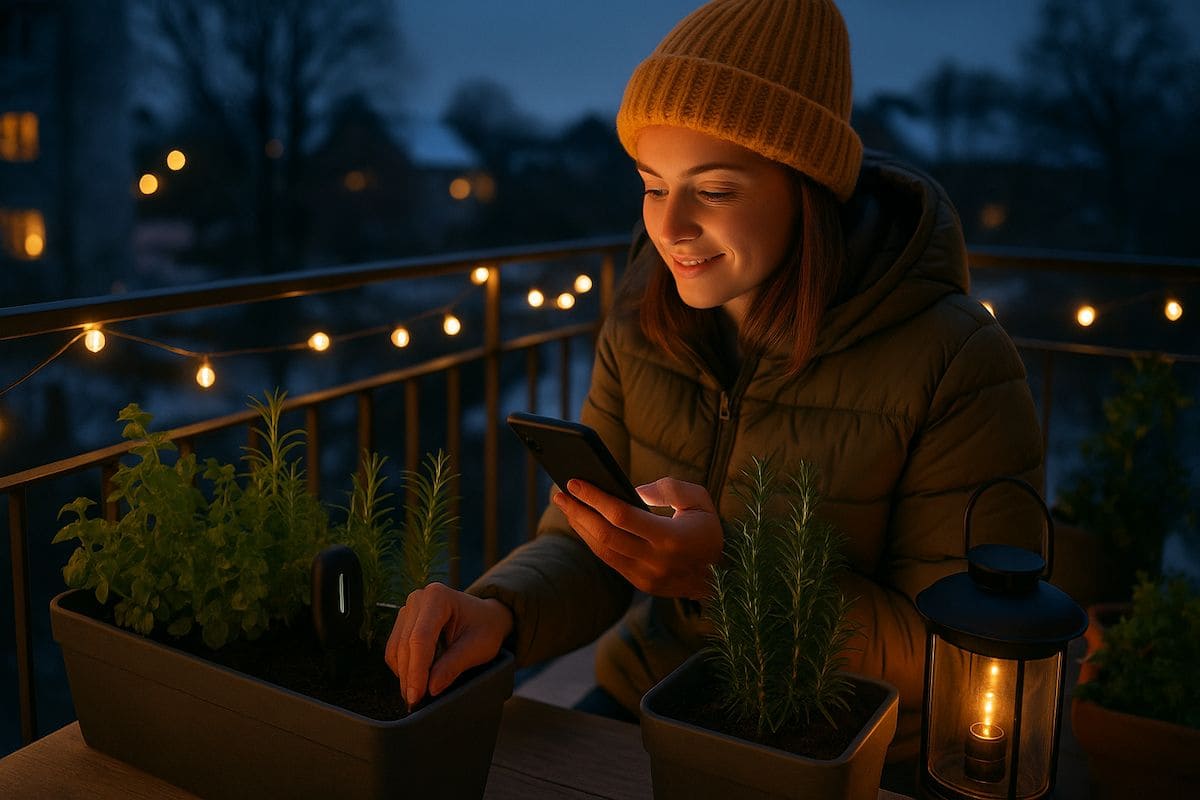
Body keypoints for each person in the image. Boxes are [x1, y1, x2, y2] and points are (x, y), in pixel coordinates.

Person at [385, 0, 1043, 772]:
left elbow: (961, 646)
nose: (670, 227)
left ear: (808, 188)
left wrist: (728, 579)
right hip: (651, 701)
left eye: (716, 190)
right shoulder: (640, 319)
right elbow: (592, 543)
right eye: (653, 185)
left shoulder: (956, 360)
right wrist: (499, 608)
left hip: (843, 752)